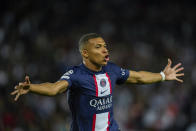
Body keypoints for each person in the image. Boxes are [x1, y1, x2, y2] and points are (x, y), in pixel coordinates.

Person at [11, 33, 184, 131]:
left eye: (105, 46)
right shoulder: (76, 74)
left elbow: (138, 77)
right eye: (98, 47)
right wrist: (32, 87)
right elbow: (55, 88)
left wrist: (162, 75)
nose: (104, 50)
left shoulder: (112, 70)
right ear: (85, 53)